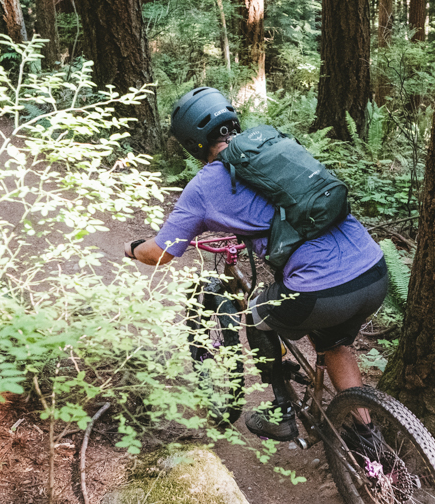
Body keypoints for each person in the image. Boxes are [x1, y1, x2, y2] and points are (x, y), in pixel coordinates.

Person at [124, 87, 388, 443]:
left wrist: (132, 248)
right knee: (335, 344)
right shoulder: (274, 145)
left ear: (192, 143)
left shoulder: (203, 187)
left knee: (255, 313)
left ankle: (281, 412)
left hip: (322, 292)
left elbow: (160, 252)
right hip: (373, 271)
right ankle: (366, 434)